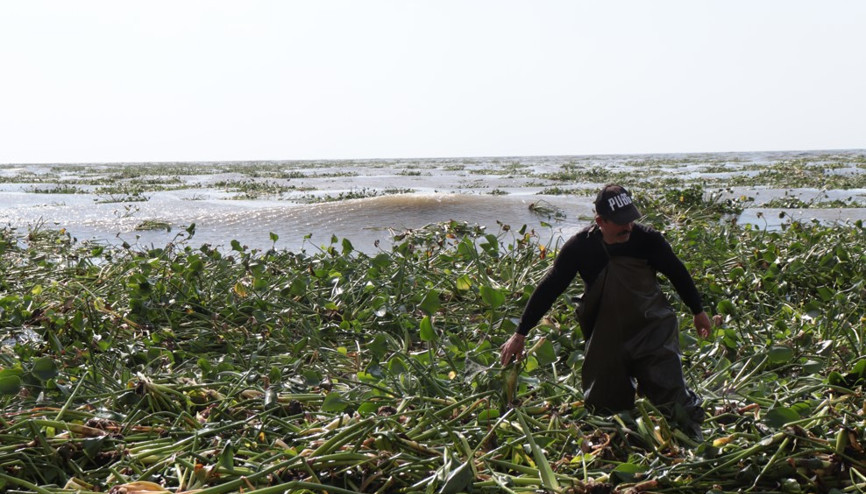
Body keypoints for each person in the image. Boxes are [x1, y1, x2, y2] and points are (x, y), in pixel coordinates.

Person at [500, 184, 712, 439]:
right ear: (601, 221)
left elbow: (678, 273)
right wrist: (520, 333)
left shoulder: (648, 240)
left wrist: (698, 311)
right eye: (621, 222)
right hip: (607, 335)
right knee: (605, 410)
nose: (629, 227)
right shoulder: (581, 247)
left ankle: (693, 440)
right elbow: (550, 287)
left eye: (631, 219)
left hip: (652, 328)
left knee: (675, 402)